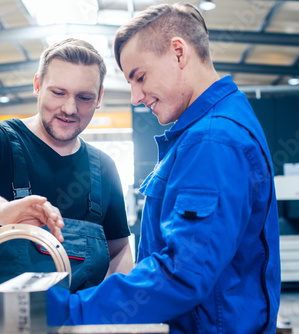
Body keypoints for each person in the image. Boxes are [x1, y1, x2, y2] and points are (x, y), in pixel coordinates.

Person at [47, 3, 280, 333]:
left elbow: (182, 273)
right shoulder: (213, 128)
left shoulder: (212, 141)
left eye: (140, 77)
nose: (135, 97)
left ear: (178, 53)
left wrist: (69, 310)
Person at [0, 38, 134, 292]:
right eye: (58, 92)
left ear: (99, 97)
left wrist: (113, 310)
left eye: (84, 97)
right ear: (38, 85)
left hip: (77, 324)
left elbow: (118, 250)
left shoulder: (104, 167)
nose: (69, 108)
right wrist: (3, 212)